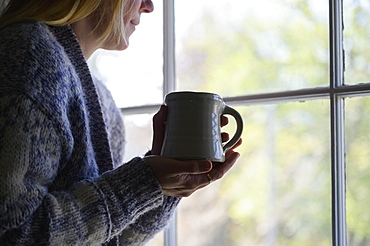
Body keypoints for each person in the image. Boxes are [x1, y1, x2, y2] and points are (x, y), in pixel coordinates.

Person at [0, 0, 242, 245]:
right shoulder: (28, 57)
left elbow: (110, 239)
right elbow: (12, 233)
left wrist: (164, 186)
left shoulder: (103, 102)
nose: (149, 6)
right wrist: (143, 183)